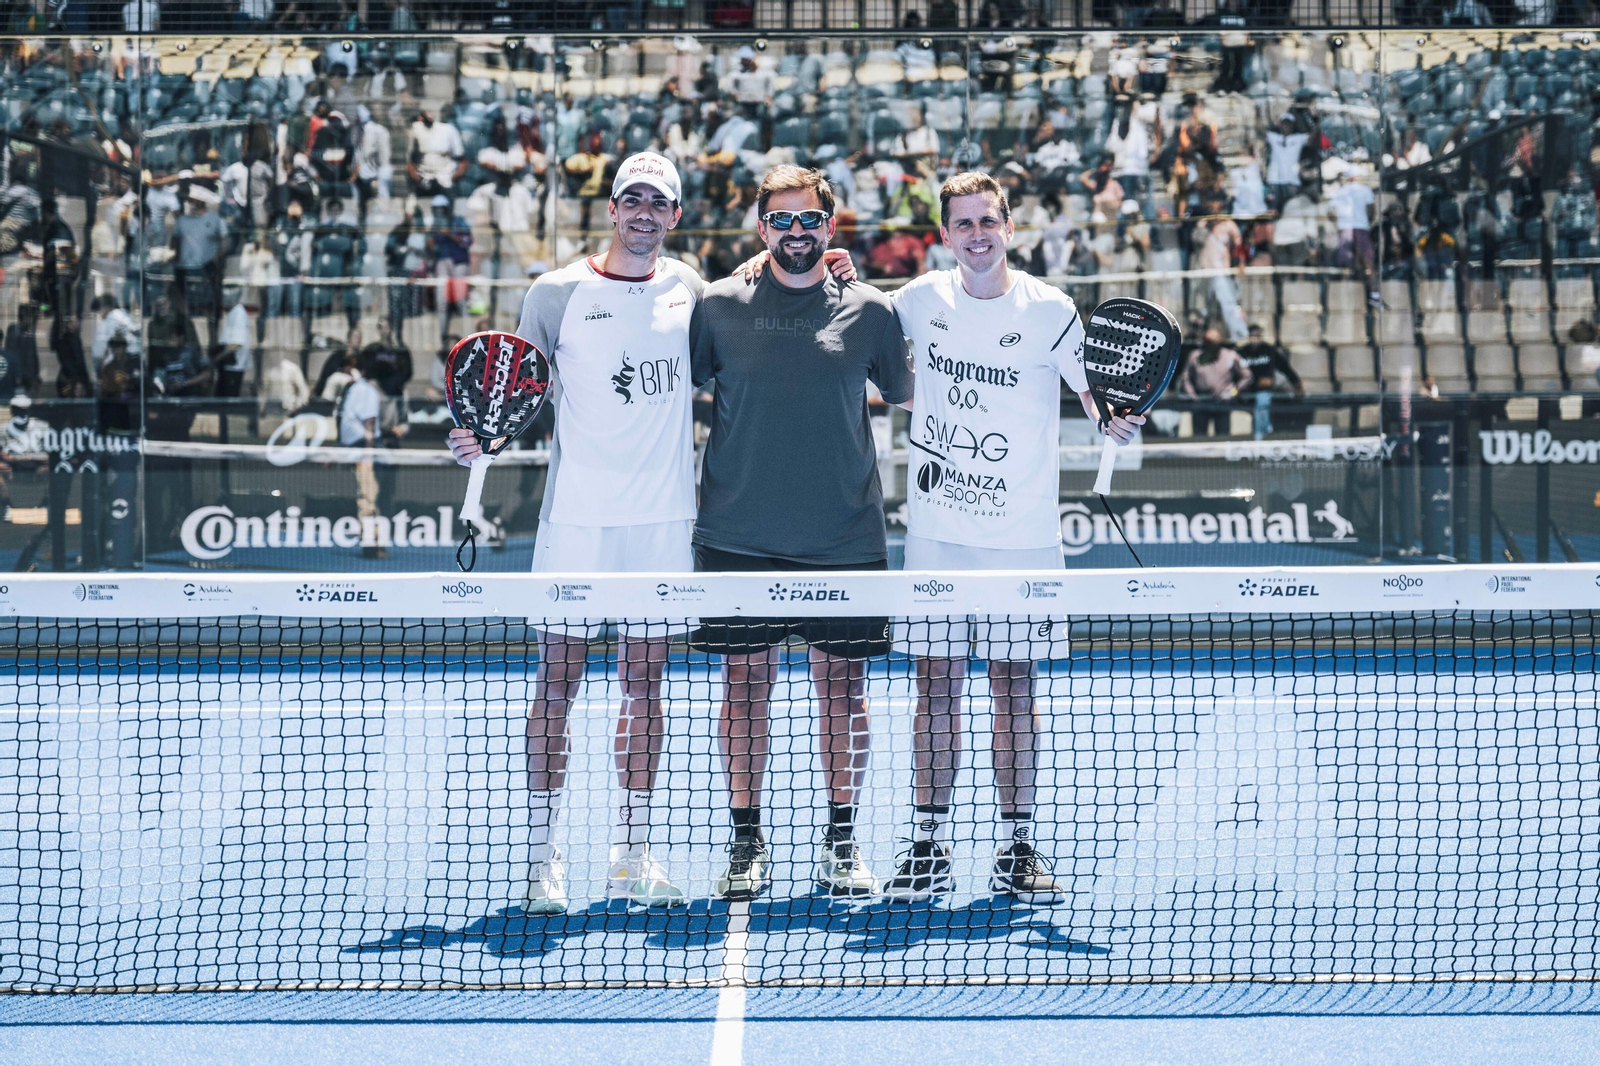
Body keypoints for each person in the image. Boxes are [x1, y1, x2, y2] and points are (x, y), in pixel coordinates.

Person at [444, 154, 851, 915]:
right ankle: (541, 863)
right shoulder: (556, 293)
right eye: (630, 197)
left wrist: (825, 258)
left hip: (663, 527)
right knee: (555, 689)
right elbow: (512, 393)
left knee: (644, 689)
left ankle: (631, 858)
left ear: (673, 215)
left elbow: (769, 276)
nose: (641, 211)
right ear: (612, 208)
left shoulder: (690, 289)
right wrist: (480, 442)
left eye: (656, 202)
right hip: (576, 527)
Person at [873, 172, 1144, 902]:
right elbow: (846, 317)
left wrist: (1113, 417)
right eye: (963, 224)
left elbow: (1094, 393)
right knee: (936, 686)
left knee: (1014, 687)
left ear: (1010, 226)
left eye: (988, 221)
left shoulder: (1052, 310)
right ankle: (928, 843)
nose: (978, 235)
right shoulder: (915, 302)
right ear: (946, 234)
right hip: (937, 535)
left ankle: (1017, 843)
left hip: (1023, 538)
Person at [690, 164, 913, 902]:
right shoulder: (717, 306)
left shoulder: (874, 309)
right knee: (744, 685)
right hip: (736, 534)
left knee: (842, 690)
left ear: (830, 224)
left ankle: (841, 843)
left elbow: (909, 394)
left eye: (807, 220)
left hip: (845, 537)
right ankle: (746, 841)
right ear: (760, 229)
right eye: (779, 221)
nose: (795, 233)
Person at [335, 350, 385, 559]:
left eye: (351, 366)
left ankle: (373, 545)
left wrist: (368, 455)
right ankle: (371, 542)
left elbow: (369, 424)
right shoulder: (352, 390)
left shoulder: (365, 391)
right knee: (364, 498)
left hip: (366, 451)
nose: (346, 370)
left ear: (360, 370)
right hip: (355, 451)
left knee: (368, 498)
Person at [1237, 322, 1303, 439]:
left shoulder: (1269, 351)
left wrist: (1297, 384)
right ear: (1248, 337)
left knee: (1262, 399)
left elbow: (1286, 369)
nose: (1255, 339)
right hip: (1246, 390)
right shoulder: (1241, 353)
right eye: (1252, 335)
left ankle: (1261, 437)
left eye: (1257, 335)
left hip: (1265, 391)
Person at [1180, 327, 1249, 436]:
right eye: (1207, 342)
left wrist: (1233, 392)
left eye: (1213, 343)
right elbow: (1185, 378)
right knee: (1199, 437)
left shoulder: (1230, 356)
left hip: (1222, 402)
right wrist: (1192, 396)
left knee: (1223, 437)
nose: (1210, 346)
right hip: (1201, 402)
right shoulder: (1195, 356)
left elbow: (1247, 376)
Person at [1330, 166, 1379, 306]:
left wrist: (1340, 223)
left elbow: (1331, 213)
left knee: (1346, 265)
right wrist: (1364, 222)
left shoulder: (1340, 191)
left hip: (1344, 229)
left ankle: (1344, 296)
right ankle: (1374, 295)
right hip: (1361, 228)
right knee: (1368, 263)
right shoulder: (1365, 190)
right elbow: (1371, 211)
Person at [215, 288, 253, 398]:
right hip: (227, 365)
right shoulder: (233, 312)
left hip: (234, 366)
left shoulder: (239, 313)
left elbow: (236, 343)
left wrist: (218, 357)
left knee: (230, 399)